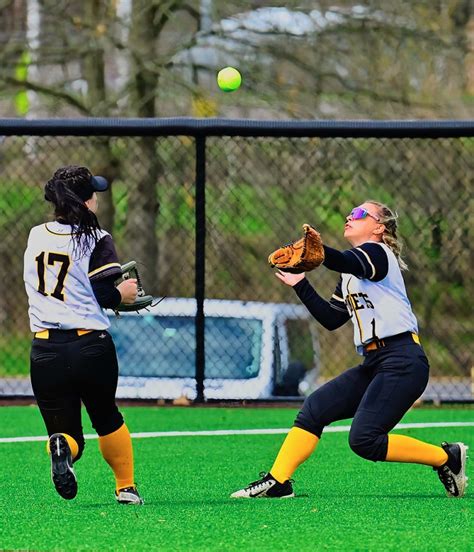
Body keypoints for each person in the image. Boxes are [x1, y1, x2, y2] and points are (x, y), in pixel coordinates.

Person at [231, 200, 468, 499]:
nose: (349, 217)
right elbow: (332, 319)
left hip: (403, 361)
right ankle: (278, 481)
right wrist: (300, 283)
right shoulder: (348, 274)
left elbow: (347, 260)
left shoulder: (379, 253)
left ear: (379, 228)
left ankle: (446, 458)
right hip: (375, 362)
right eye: (349, 213)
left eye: (358, 214)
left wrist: (322, 253)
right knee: (314, 409)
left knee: (364, 439)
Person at [23, 165, 143, 505]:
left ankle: (62, 448)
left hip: (45, 349)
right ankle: (126, 488)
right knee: (107, 417)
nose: (97, 199)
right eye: (94, 193)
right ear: (86, 200)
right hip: (90, 346)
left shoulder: (36, 234)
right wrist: (126, 293)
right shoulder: (96, 238)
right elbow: (106, 295)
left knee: (67, 432)